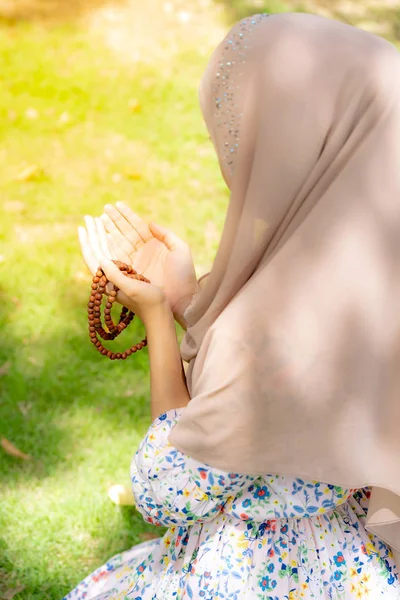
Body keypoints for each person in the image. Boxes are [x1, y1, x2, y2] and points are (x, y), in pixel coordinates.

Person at [65, 12, 400, 599]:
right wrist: (186, 299)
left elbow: (168, 490)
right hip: (355, 572)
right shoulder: (376, 276)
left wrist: (155, 322)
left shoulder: (268, 329)